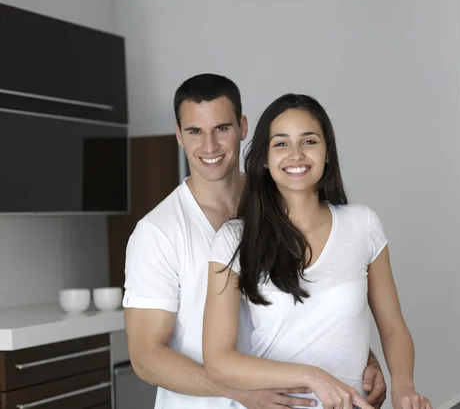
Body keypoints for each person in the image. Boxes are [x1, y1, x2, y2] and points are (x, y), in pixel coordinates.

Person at [122, 74, 388, 409]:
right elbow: (146, 356)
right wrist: (235, 391)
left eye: (221, 128)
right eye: (194, 132)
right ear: (178, 135)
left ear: (243, 128)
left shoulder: (285, 201)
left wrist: (363, 357)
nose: (209, 146)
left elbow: (314, 299)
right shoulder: (158, 232)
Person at [202, 93, 433, 409]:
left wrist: (404, 387)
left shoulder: (362, 224)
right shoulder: (234, 239)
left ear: (327, 153)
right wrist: (314, 377)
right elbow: (218, 360)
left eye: (309, 141)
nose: (296, 155)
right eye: (281, 144)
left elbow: (392, 327)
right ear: (265, 159)